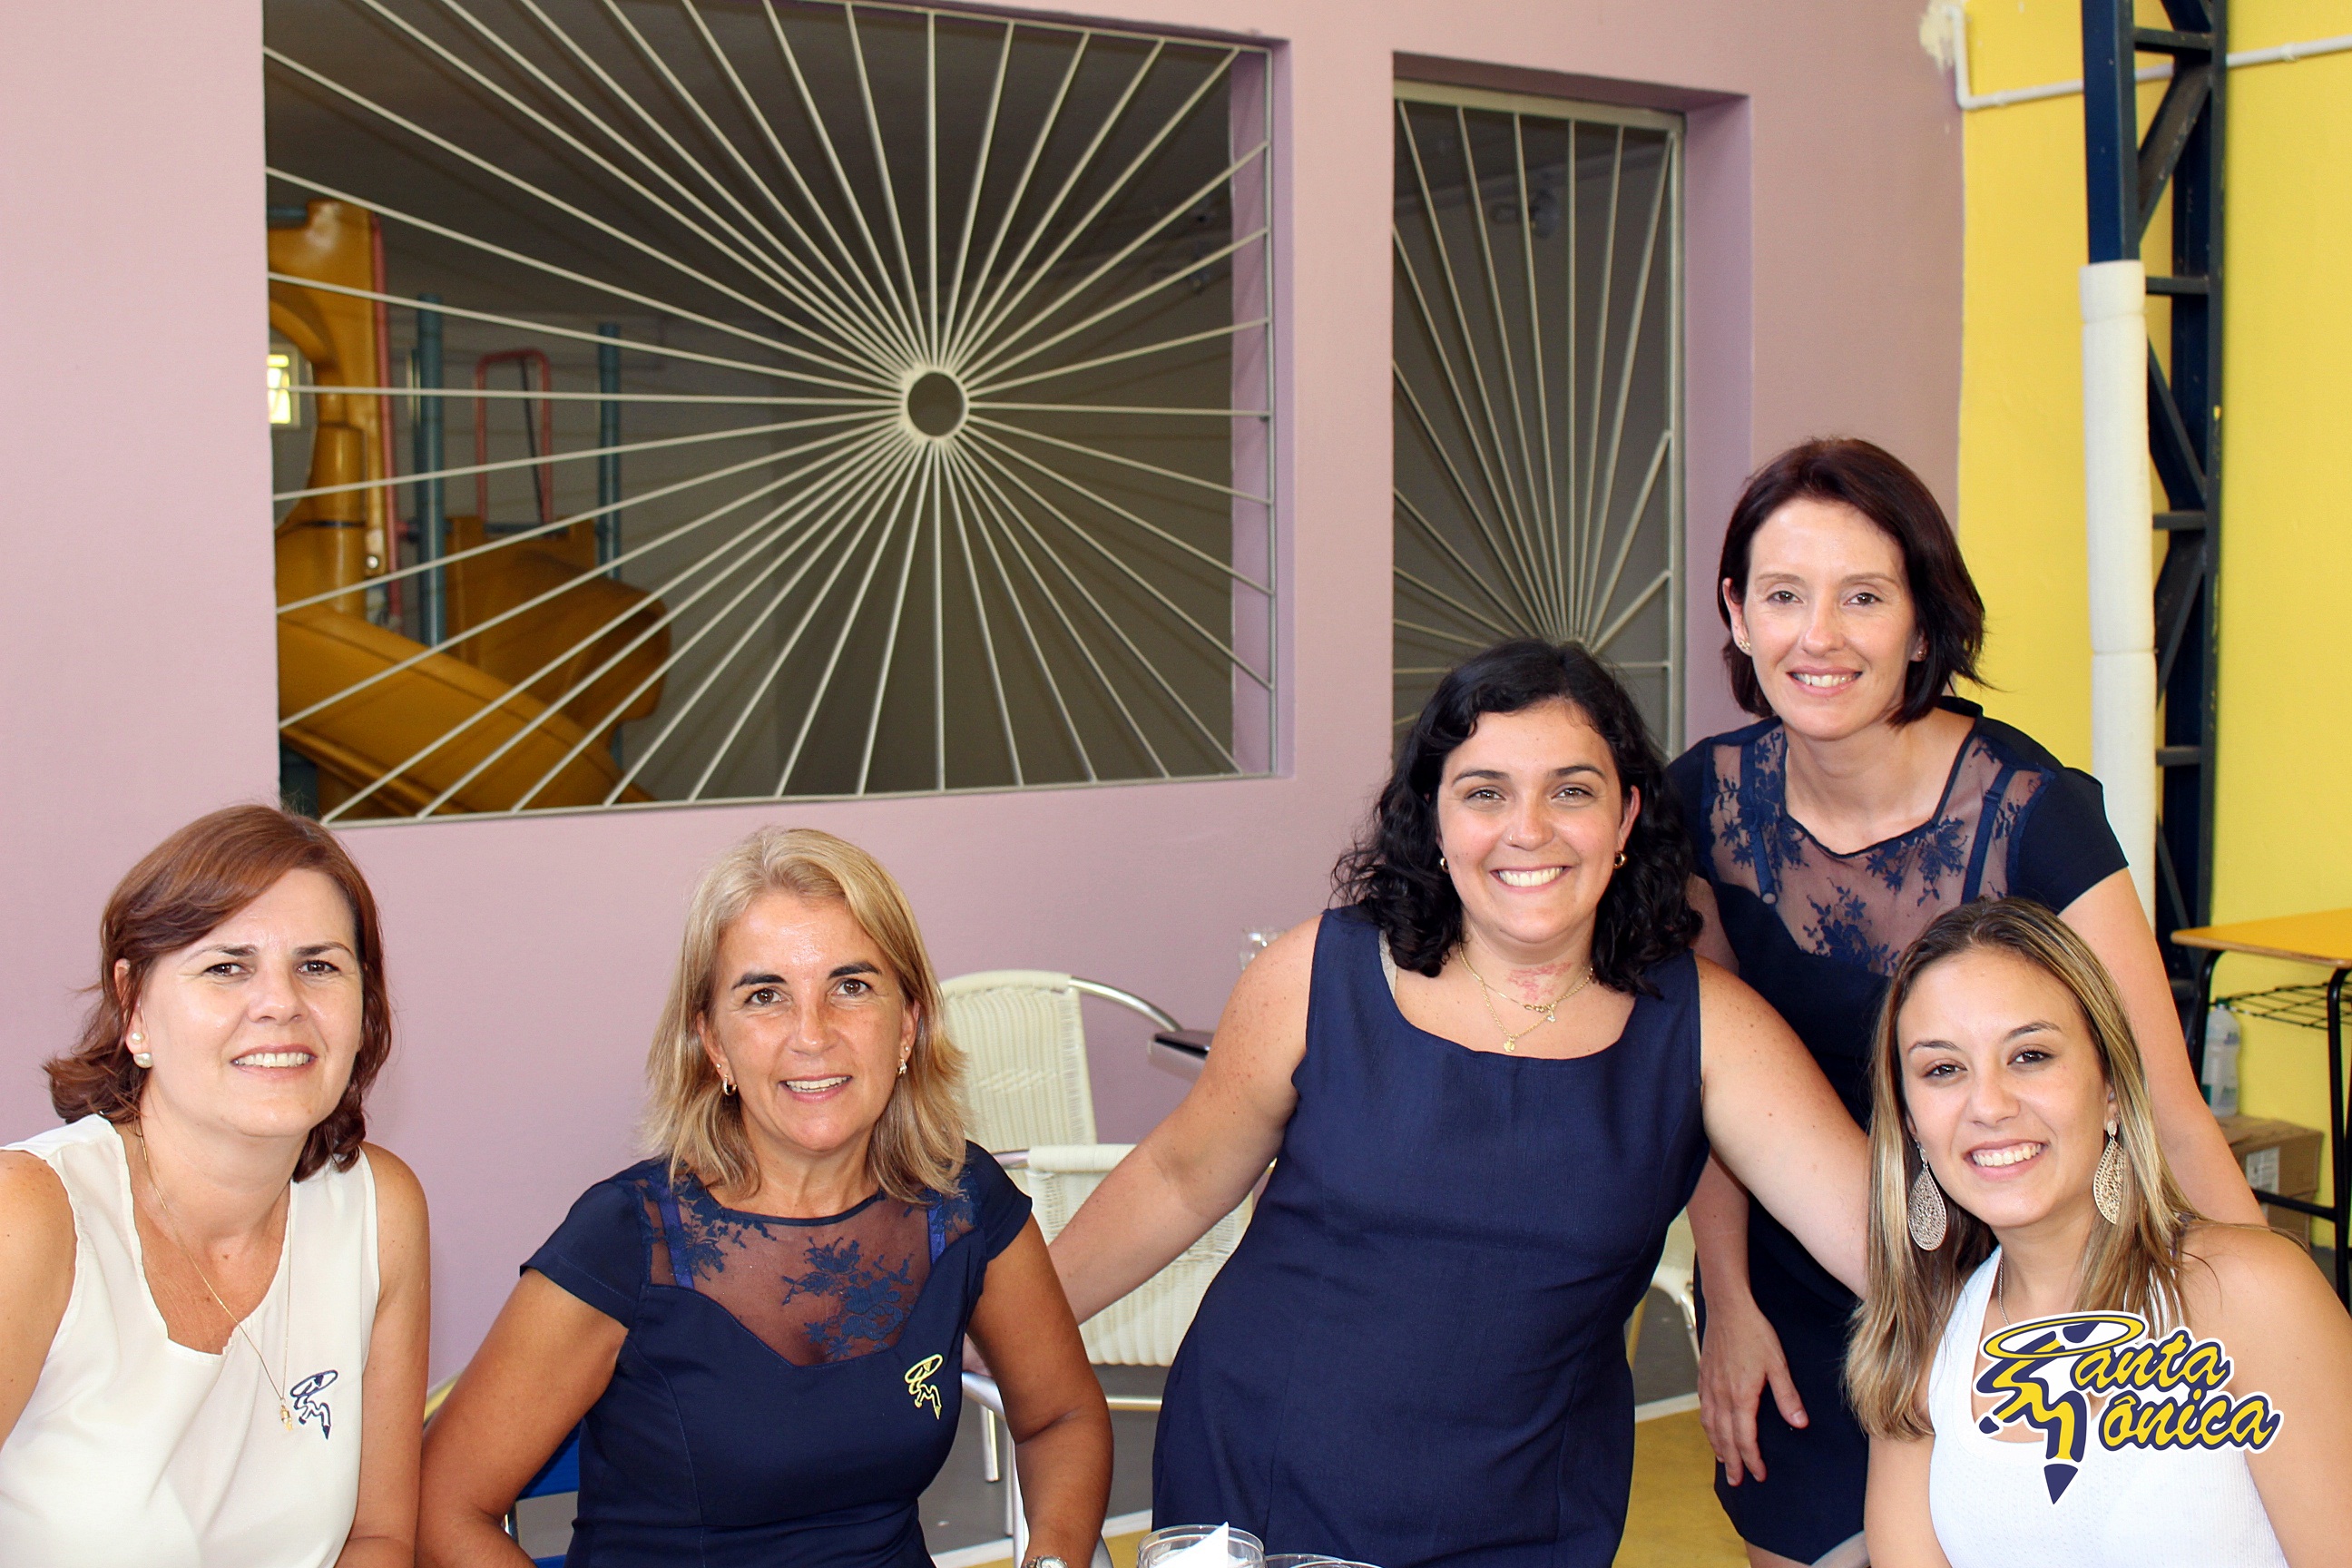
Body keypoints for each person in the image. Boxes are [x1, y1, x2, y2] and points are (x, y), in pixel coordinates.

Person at [1045, 640, 1870, 1568]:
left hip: (1529, 1513)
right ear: (1434, 818)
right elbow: (1179, 1177)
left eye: (1572, 790)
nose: (1529, 830)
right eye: (1485, 792)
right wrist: (1005, 1327)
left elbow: (1879, 1245)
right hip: (1265, 1477)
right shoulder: (1317, 974)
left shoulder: (1710, 1028)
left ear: (1627, 815)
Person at [1668, 436, 2260, 1568]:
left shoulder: (2035, 812)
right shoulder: (1706, 803)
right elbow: (1707, 1077)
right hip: (1806, 1294)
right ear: (1737, 615)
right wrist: (1727, 1300)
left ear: (1921, 624)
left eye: (1863, 597)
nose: (1819, 636)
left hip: (2025, 1290)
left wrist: (2266, 1347)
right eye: (1784, 595)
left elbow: (2169, 1111)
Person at [419, 827, 1109, 1568]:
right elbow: (442, 1512)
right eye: (765, 996)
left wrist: (1054, 1561)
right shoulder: (629, 1239)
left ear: (908, 1025)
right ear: (713, 1042)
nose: (813, 1035)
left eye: (851, 986)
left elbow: (1063, 1418)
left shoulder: (961, 1201)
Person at [1849, 897, 2352, 1566]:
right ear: (1912, 1122)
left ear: (2110, 1088)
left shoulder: (2248, 1293)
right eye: (1943, 1069)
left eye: (2030, 1055)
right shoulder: (1923, 1344)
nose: (1989, 1105)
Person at [0, 804, 432, 1567]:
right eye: (227, 967)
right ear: (134, 1006)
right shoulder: (30, 1215)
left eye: (319, 966)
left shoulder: (379, 1210)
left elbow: (376, 1537)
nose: (281, 1003)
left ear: (365, 1006)